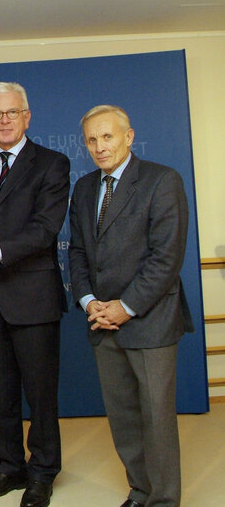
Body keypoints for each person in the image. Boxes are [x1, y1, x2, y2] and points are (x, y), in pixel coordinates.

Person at [68, 105, 191, 507]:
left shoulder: (161, 181)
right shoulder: (85, 188)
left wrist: (125, 306)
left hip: (149, 320)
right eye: (91, 140)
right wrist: (89, 302)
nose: (100, 147)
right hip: (102, 322)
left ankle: (164, 500)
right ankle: (141, 491)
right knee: (123, 419)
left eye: (107, 136)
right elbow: (79, 252)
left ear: (129, 136)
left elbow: (166, 259)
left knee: (156, 420)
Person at [0, 82, 70, 507]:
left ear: (26, 116)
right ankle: (9, 465)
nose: (4, 120)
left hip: (33, 296)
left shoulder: (53, 164)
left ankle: (42, 471)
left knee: (40, 394)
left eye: (11, 112)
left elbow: (45, 229)